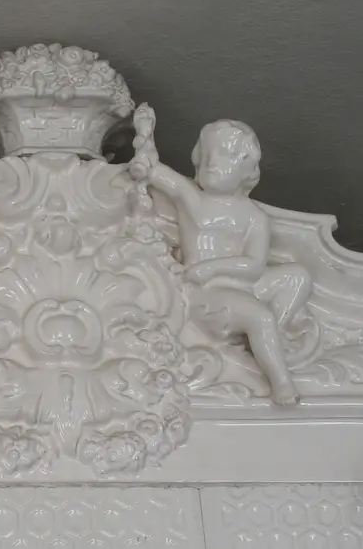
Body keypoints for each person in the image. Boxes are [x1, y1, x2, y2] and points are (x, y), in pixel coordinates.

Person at [132, 108, 309, 406]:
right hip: (208, 293)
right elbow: (152, 169)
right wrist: (144, 133)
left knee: (297, 276)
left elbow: (254, 266)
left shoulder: (254, 217)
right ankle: (281, 380)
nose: (212, 161)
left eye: (225, 155)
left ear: (247, 169)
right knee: (260, 316)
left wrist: (212, 267)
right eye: (207, 154)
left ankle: (268, 340)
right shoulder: (193, 198)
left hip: (240, 284)